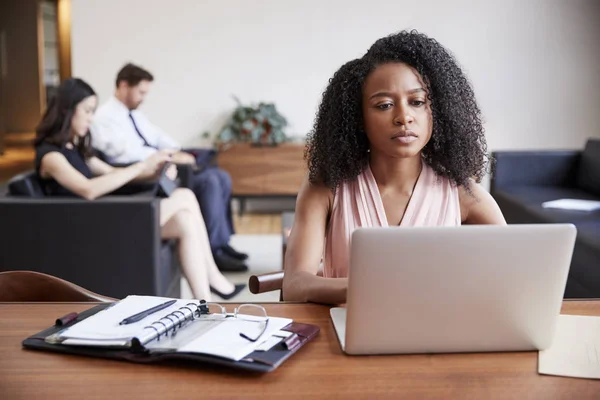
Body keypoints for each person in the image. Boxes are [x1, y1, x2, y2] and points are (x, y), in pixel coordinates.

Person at [282, 30, 506, 305]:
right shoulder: (326, 185)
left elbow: (510, 278)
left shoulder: (463, 193)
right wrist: (368, 289)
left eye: (417, 102)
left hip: (438, 338)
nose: (404, 118)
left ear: (437, 110)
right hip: (346, 336)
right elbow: (294, 284)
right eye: (384, 105)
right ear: (359, 117)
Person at [34, 78, 245, 301]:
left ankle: (204, 303)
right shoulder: (51, 156)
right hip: (89, 229)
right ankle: (214, 277)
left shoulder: (76, 148)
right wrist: (141, 166)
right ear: (67, 109)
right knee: (184, 196)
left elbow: (109, 173)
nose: (91, 118)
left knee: (184, 220)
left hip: (100, 218)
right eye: (87, 111)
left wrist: (153, 171)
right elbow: (88, 190)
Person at [91, 63, 247, 272]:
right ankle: (214, 250)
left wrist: (177, 150)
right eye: (141, 92)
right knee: (209, 181)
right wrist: (171, 157)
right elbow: (127, 154)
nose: (143, 97)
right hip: (144, 171)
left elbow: (156, 136)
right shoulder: (104, 118)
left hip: (161, 162)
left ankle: (221, 243)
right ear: (124, 85)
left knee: (221, 176)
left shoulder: (134, 114)